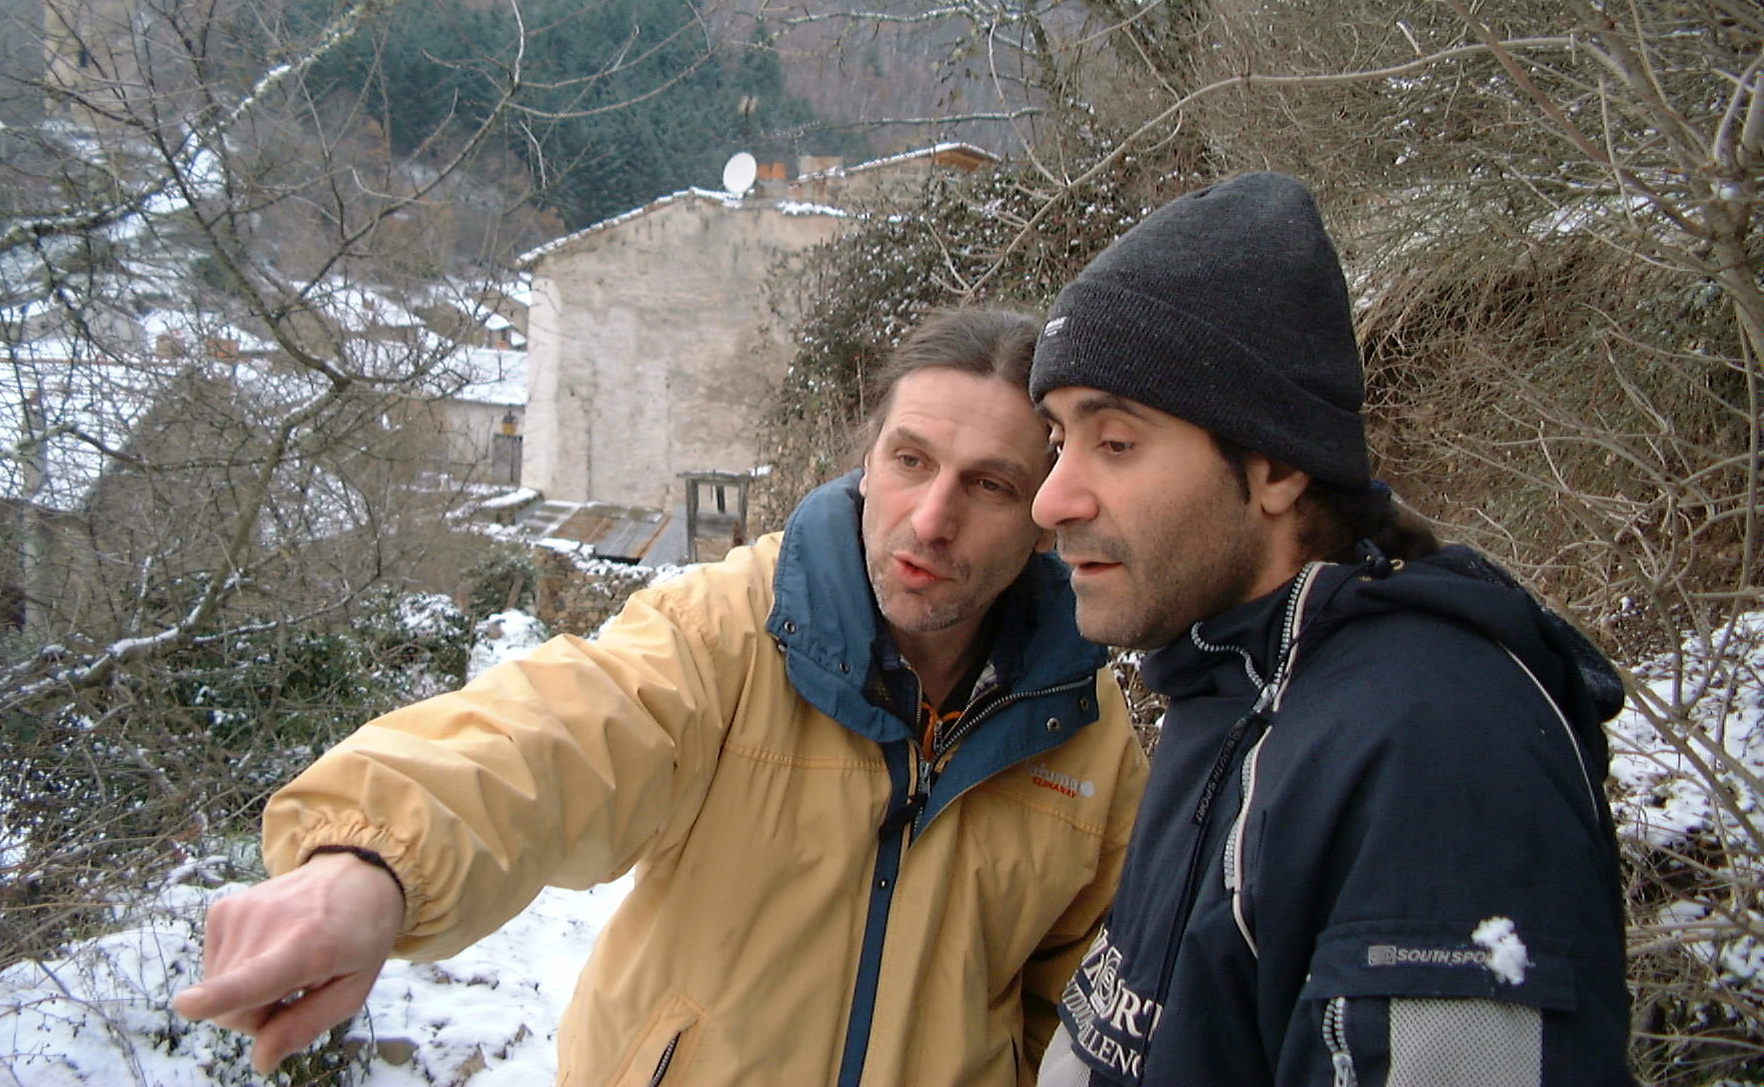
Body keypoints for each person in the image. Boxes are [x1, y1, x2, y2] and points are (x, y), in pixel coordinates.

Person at [172, 307, 1147, 1086]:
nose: (930, 519)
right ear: (866, 464)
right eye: (910, 462)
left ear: (1043, 514)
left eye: (988, 485)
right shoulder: (733, 635)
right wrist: (371, 863)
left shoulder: (1088, 741)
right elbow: (557, 733)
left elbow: (1080, 1012)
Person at [1025, 173, 1633, 1086]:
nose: (1051, 499)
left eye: (1115, 443)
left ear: (1273, 468)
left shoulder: (1433, 753)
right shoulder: (1224, 684)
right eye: (1056, 440)